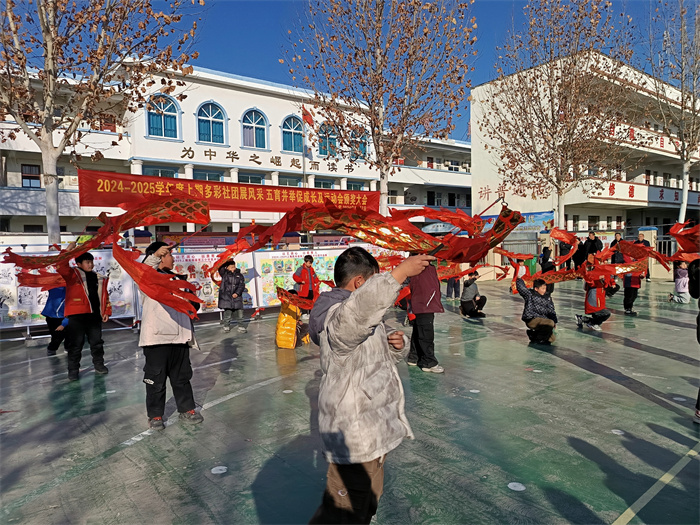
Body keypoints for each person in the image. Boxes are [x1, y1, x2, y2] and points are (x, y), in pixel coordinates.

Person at [307, 247, 432, 524]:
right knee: (342, 510)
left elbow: (372, 335)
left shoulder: (359, 317)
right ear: (361, 284)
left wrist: (396, 343)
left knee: (368, 498)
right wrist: (399, 273)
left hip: (374, 426)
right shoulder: (336, 316)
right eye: (375, 281)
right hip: (354, 431)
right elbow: (355, 319)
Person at [140, 242, 203, 430]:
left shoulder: (177, 278)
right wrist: (155, 255)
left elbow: (191, 304)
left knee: (182, 377)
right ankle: (156, 415)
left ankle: (187, 409)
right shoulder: (148, 280)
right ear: (158, 257)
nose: (172, 258)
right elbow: (143, 271)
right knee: (155, 379)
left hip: (180, 335)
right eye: (168, 254)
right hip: (157, 337)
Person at [57, 247, 111, 381]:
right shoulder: (72, 275)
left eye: (91, 261)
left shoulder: (98, 277)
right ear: (78, 264)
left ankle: (99, 365)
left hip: (94, 316)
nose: (90, 264)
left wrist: (106, 311)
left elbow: (104, 296)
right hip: (77, 316)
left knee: (97, 343)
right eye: (87, 262)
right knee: (76, 344)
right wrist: (68, 250)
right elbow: (60, 264)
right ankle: (73, 370)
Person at [407, 258, 445, 373]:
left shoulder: (425, 267)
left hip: (423, 303)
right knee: (426, 333)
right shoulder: (418, 267)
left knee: (418, 330)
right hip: (424, 304)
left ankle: (414, 357)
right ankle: (428, 362)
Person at [516, 276, 558, 344]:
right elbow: (521, 288)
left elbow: (551, 310)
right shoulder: (530, 295)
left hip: (543, 320)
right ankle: (538, 339)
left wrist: (555, 321)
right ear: (536, 289)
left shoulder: (548, 298)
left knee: (552, 339)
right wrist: (519, 279)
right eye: (542, 288)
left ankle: (533, 335)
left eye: (545, 288)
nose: (544, 290)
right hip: (532, 319)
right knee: (550, 323)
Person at [218, 259, 247, 333]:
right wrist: (226, 260)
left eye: (234, 267)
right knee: (227, 314)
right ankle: (226, 326)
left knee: (240, 314)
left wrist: (237, 293)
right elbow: (220, 267)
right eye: (231, 267)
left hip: (237, 297)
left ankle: (241, 326)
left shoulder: (239, 275)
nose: (233, 269)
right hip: (227, 297)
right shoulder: (224, 274)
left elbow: (241, 285)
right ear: (227, 268)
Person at [42, 286, 68, 356]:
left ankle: (68, 348)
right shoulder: (54, 286)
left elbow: (73, 309)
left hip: (64, 316)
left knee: (68, 334)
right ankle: (52, 349)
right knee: (57, 336)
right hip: (51, 316)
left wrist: (64, 324)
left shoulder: (72, 290)